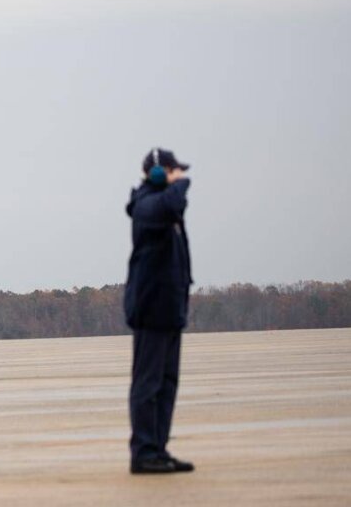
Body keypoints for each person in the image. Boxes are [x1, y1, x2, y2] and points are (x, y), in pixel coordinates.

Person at [124, 147, 195, 475]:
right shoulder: (146, 204)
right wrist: (178, 184)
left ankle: (158, 449)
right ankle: (143, 452)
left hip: (169, 310)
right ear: (158, 173)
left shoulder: (162, 206)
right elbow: (171, 204)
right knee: (148, 384)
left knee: (166, 384)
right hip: (151, 310)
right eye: (173, 171)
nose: (179, 176)